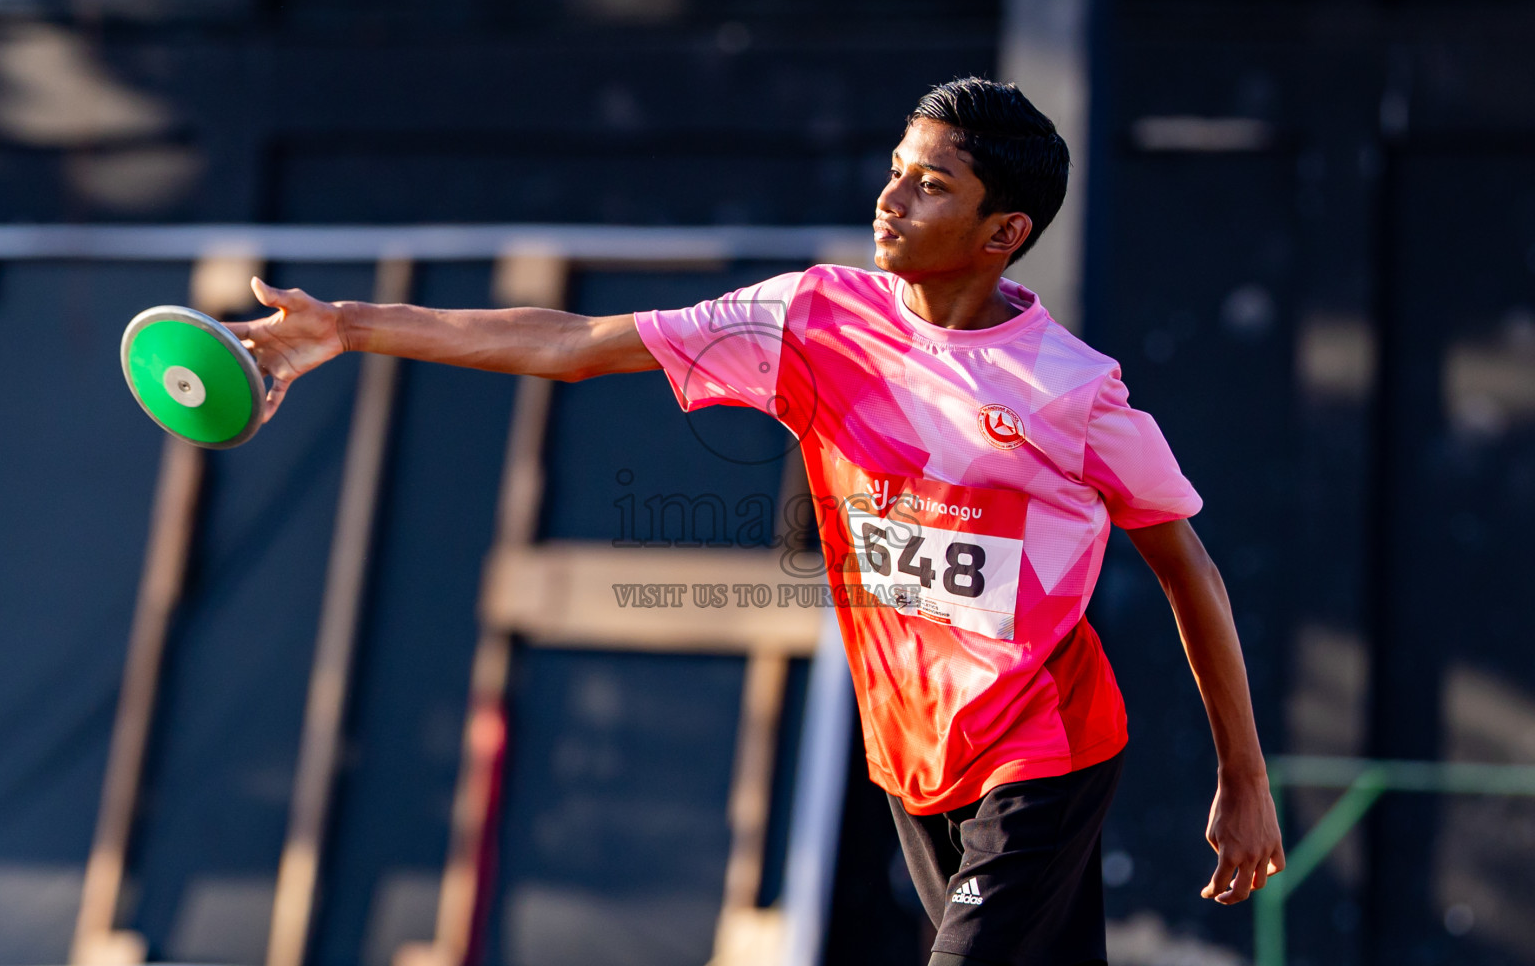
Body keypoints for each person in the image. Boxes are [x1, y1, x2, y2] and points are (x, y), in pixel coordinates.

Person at [227, 76, 1283, 966]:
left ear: (1004, 232)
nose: (892, 199)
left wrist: (1242, 777)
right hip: (913, 754)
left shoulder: (1074, 393)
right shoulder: (812, 318)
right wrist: (348, 326)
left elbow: (1187, 567)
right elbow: (571, 343)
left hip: (1044, 750)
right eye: (896, 169)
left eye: (932, 185)